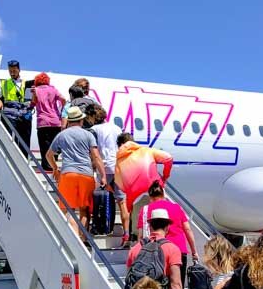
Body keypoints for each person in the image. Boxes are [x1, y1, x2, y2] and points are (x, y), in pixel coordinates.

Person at [138, 180, 199, 289]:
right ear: (163, 194)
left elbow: (141, 236)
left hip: (156, 252)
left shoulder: (145, 210)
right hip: (178, 251)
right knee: (178, 287)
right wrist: (194, 252)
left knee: (156, 288)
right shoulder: (176, 207)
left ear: (150, 197)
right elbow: (188, 230)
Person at [46, 106, 107, 238]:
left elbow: (48, 155)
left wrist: (55, 168)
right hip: (86, 175)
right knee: (84, 210)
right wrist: (103, 176)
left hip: (68, 174)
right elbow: (96, 157)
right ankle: (83, 239)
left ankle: (74, 238)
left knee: (68, 209)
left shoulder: (62, 135)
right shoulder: (88, 135)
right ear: (81, 121)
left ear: (69, 121)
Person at [87, 104, 130, 244]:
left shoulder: (94, 130)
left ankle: (103, 227)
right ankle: (126, 234)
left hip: (104, 168)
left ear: (92, 116)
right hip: (118, 167)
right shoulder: (117, 128)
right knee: (122, 202)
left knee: (103, 199)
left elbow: (93, 151)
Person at [114, 133, 174, 211]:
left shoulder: (118, 161)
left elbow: (120, 185)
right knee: (163, 213)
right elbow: (169, 158)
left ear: (120, 145)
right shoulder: (146, 150)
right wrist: (165, 176)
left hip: (134, 194)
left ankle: (132, 218)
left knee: (131, 210)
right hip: (155, 187)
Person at [0, 60, 32, 156]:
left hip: (24, 113)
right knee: (10, 137)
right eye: (10, 71)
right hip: (10, 113)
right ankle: (11, 158)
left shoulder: (26, 83)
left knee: (24, 139)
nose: (12, 73)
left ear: (19, 70)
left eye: (14, 71)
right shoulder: (4, 83)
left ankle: (24, 160)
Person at [30, 72, 65, 171]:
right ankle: (54, 161)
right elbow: (63, 99)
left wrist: (33, 96)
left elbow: (33, 103)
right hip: (55, 121)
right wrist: (61, 110)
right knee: (55, 143)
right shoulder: (53, 89)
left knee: (44, 145)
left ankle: (46, 165)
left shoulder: (35, 90)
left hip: (43, 122)